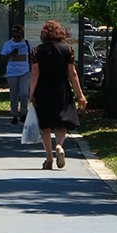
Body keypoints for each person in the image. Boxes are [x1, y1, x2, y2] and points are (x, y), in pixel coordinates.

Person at [29, 19, 87, 170]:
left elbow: (35, 74)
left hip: (43, 89)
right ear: (60, 33)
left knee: (45, 125)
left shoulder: (37, 51)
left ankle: (49, 158)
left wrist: (31, 93)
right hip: (62, 89)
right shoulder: (68, 50)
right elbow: (72, 74)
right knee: (62, 121)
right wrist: (80, 95)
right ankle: (59, 146)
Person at [1, 25, 32, 124]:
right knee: (14, 94)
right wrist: (10, 54)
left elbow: (31, 56)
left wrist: (31, 68)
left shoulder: (27, 43)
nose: (16, 39)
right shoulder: (8, 44)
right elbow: (2, 58)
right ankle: (14, 115)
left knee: (24, 93)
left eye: (18, 37)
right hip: (12, 72)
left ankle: (23, 113)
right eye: (14, 37)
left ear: (22, 35)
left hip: (25, 71)